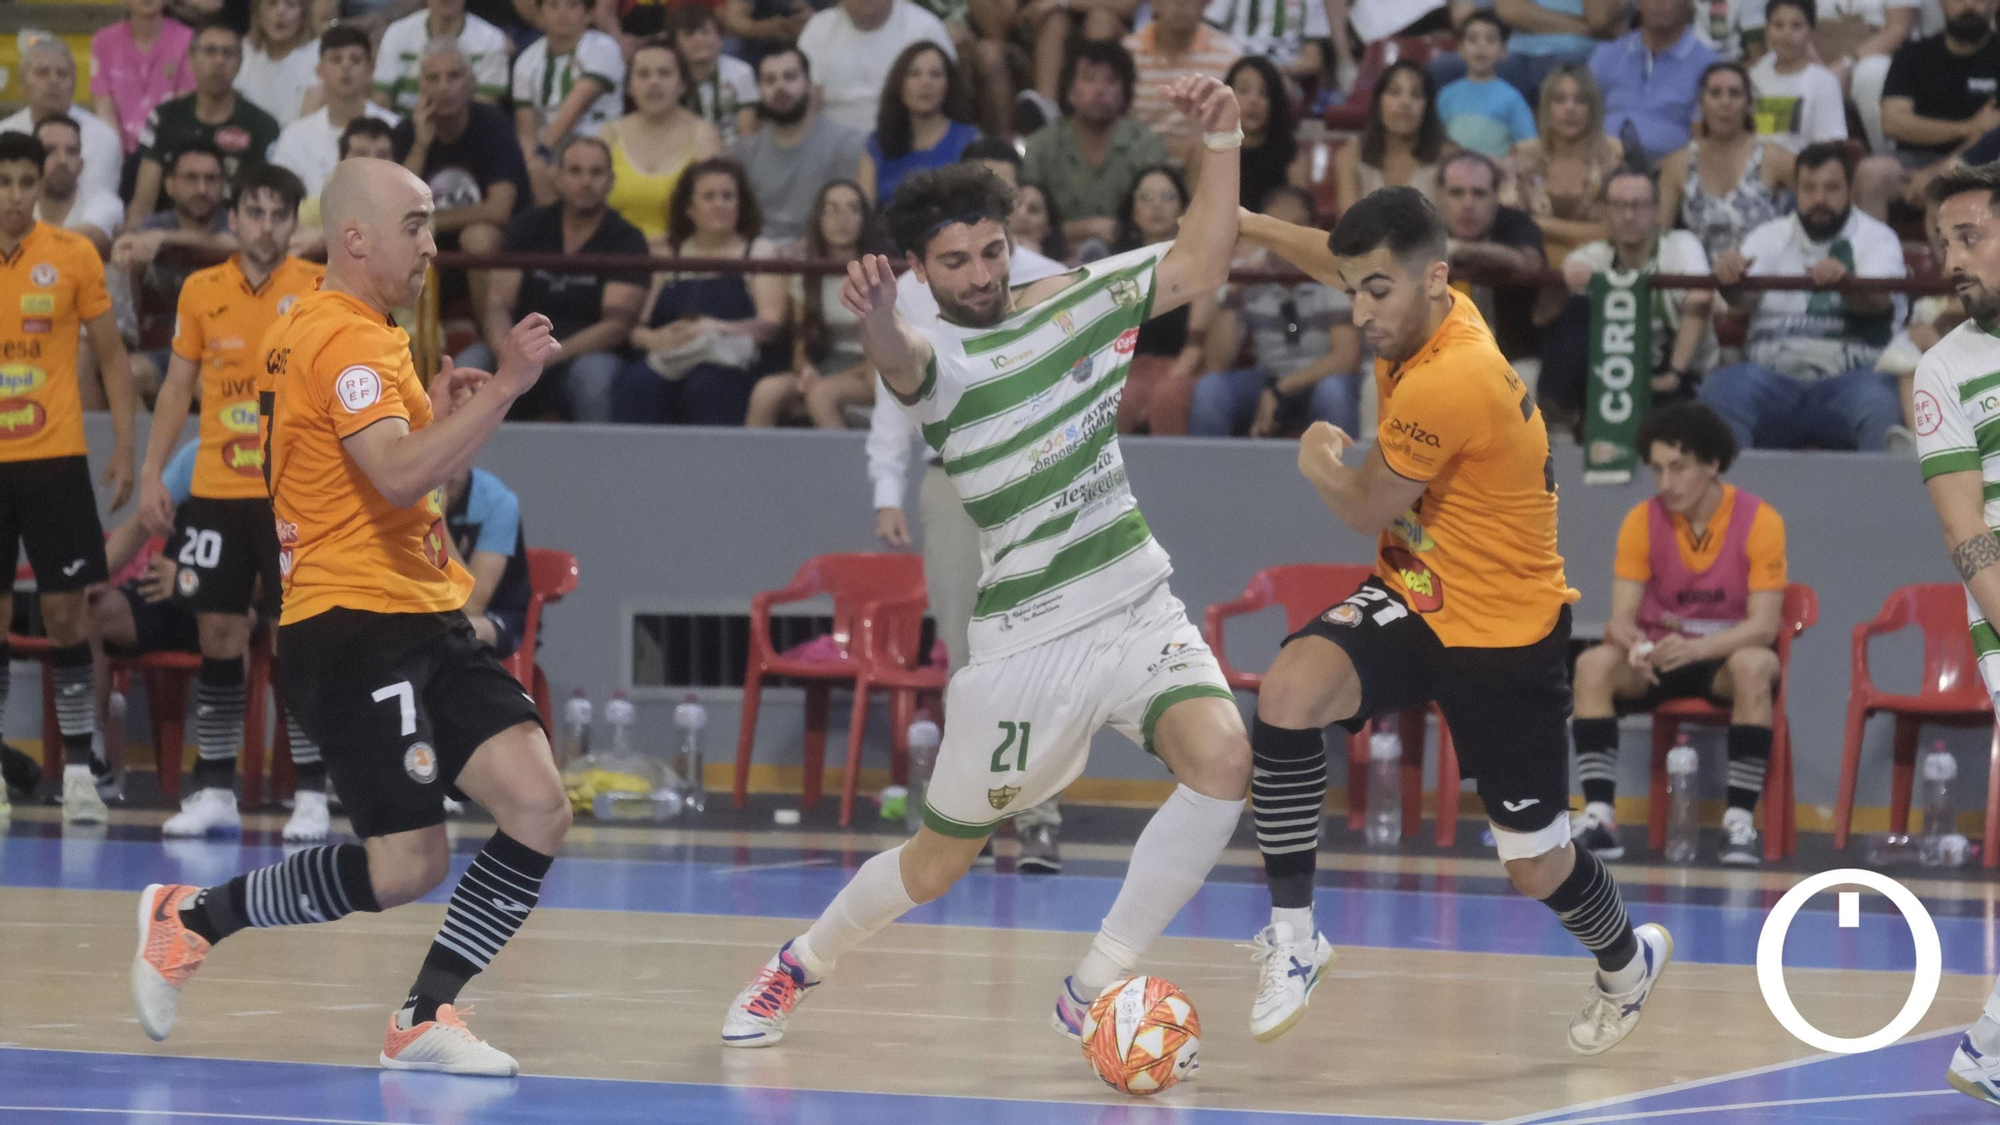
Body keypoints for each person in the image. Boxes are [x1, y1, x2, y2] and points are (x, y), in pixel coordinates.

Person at [721, 74, 1250, 1048]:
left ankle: (1091, 985)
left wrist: (1219, 144)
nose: (977, 273)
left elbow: (1205, 253)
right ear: (919, 270)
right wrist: (875, 313)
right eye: (953, 260)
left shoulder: (1080, 301)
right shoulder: (937, 365)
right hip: (1024, 649)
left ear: (1011, 243)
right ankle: (798, 964)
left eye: (990, 251)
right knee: (935, 865)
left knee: (1222, 760)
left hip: (1135, 600)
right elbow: (892, 357)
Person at [128, 155, 567, 1076]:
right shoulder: (346, 337)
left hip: (421, 607)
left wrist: (449, 410)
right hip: (356, 625)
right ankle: (190, 919)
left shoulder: (345, 329)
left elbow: (408, 465)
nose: (431, 246)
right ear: (355, 236)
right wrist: (510, 389)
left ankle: (423, 1014)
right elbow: (401, 472)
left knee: (537, 803)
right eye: (415, 226)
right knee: (408, 865)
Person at [1232, 183, 1670, 1051]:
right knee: (1287, 692)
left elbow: (1363, 506)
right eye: (1355, 291)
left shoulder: (1452, 378)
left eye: (1376, 294)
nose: (1359, 311)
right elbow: (1347, 256)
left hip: (1503, 637)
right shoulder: (1428, 299)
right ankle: (1295, 939)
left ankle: (1626, 961)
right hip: (1415, 595)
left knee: (1533, 863)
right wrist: (1245, 224)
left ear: (1434, 281)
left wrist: (1319, 454)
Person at [865, 142, 1071, 871]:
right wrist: (888, 491)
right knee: (965, 655)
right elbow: (893, 401)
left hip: (1038, 474)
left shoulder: (1051, 282)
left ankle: (1040, 816)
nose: (978, 266)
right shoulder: (908, 293)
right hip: (951, 482)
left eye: (994, 235)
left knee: (1039, 649)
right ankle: (971, 818)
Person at [136, 162, 326, 839]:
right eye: (254, 212)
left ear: (296, 221)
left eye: (280, 214)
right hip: (215, 490)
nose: (266, 226)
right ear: (235, 217)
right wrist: (154, 471)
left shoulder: (318, 288)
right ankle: (215, 788)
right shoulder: (200, 289)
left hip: (292, 497)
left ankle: (310, 791)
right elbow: (174, 388)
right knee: (217, 632)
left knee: (295, 639)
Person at [1569, 402, 1786, 865]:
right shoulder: (1640, 521)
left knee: (1756, 665)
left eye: (1679, 468)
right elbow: (1621, 617)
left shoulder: (1759, 520)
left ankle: (1739, 824)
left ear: (1711, 464)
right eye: (1658, 469)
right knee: (1591, 664)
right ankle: (1601, 818)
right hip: (1658, 659)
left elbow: (1764, 626)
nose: (1666, 483)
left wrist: (1698, 649)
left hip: (1722, 658)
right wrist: (1633, 642)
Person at [0, 131, 139, 827]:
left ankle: (82, 768)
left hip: (54, 458)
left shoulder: (75, 253)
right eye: (5, 182)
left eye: (26, 182)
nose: (16, 196)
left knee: (65, 615)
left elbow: (113, 358)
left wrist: (125, 447)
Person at [1900, 159, 2000, 1108]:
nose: (1952, 260)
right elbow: (1964, 527)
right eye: (1942, 245)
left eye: (1969, 237)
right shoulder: (1943, 369)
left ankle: (1993, 1048)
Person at [1702, 142, 1905, 450]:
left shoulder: (1877, 238)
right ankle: (1733, 498)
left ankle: (1879, 499)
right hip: (1770, 382)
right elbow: (1740, 304)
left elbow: (1878, 301)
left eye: (1831, 188)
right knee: (1721, 389)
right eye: (1809, 188)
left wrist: (1845, 284)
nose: (1819, 199)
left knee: (1881, 401)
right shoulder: (1767, 236)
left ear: (1850, 191)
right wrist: (1729, 280)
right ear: (1796, 191)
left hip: (1852, 383)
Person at [459, 136, 649, 421]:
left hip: (584, 353)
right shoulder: (527, 225)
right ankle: (466, 465)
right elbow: (498, 303)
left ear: (611, 181)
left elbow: (616, 325)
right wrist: (506, 351)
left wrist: (547, 356)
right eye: (575, 171)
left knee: (595, 379)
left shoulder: (627, 239)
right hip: (520, 348)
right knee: (468, 367)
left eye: (596, 173)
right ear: (558, 178)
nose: (586, 181)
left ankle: (596, 465)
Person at [615, 158, 787, 423]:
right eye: (709, 197)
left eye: (728, 196)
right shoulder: (669, 254)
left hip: (730, 363)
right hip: (670, 357)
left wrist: (712, 328)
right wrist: (654, 339)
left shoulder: (758, 251)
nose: (720, 204)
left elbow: (771, 324)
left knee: (708, 387)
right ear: (689, 208)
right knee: (637, 383)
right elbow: (638, 327)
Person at [1541, 166, 1715, 420]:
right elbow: (1568, 280)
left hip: (1681, 375)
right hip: (1615, 376)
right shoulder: (1595, 253)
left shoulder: (1681, 245)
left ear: (1656, 210)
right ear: (1604, 212)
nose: (1629, 215)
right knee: (1578, 307)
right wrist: (1571, 274)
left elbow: (1700, 299)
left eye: (1639, 205)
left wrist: (1673, 376)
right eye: (1619, 205)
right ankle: (1557, 412)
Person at [1190, 185, 1361, 437]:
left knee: (1333, 392)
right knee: (1210, 389)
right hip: (1267, 377)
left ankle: (1341, 473)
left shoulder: (1333, 275)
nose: (1281, 240)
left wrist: (1280, 389)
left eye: (1292, 229)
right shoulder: (1248, 276)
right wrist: (1233, 293)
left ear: (1313, 230)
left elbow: (1345, 360)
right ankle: (1203, 475)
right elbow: (1216, 362)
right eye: (1273, 229)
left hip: (1319, 381)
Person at [393, 40, 530, 316]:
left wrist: (429, 221)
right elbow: (396, 209)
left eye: (454, 76)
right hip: (429, 252)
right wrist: (421, 145)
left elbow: (499, 210)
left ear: (472, 84)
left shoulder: (493, 125)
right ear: (422, 86)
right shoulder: (407, 131)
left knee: (476, 237)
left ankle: (493, 338)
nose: (444, 86)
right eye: (433, 78)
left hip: (499, 247)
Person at [747, 180, 882, 427]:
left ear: (864, 220)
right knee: (766, 391)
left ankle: (841, 466)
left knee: (821, 395)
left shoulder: (876, 274)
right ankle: (750, 465)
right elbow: (801, 342)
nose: (842, 219)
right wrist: (805, 368)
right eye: (831, 209)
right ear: (818, 218)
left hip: (870, 369)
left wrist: (825, 381)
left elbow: (880, 351)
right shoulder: (806, 274)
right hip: (826, 363)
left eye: (852, 209)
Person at [126, 21, 283, 232]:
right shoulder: (164, 117)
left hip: (236, 239)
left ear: (240, 63)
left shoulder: (262, 126)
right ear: (190, 60)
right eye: (210, 51)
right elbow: (142, 203)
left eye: (228, 53)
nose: (219, 61)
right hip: (169, 235)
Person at [1020, 40, 1168, 254]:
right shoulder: (1042, 145)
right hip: (1053, 258)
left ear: (1125, 92)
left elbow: (1159, 220)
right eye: (1088, 79)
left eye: (1111, 81)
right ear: (1070, 90)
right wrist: (1085, 229)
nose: (1100, 90)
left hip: (1131, 257)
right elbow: (1025, 223)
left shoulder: (1146, 143)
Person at [114, 142, 237, 369]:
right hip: (167, 349)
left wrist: (165, 239)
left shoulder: (236, 222)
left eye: (211, 179)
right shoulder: (153, 225)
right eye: (191, 178)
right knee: (129, 372)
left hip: (230, 346)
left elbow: (237, 245)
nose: (202, 189)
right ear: (170, 185)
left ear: (223, 186)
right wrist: (132, 267)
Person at [1658, 62, 1796, 263]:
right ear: (1701, 104)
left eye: (1735, 94)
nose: (1725, 102)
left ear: (1749, 105)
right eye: (1715, 93)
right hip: (1700, 285)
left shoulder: (1773, 157)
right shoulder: (1678, 164)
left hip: (1763, 277)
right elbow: (1659, 235)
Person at [1113, 165, 1209, 435]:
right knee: (1117, 398)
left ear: (1182, 209)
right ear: (1133, 209)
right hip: (1130, 368)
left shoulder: (1198, 265)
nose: (1156, 206)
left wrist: (1160, 386)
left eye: (1167, 198)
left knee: (1166, 397)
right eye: (1146, 198)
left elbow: (1196, 344)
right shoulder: (1117, 266)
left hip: (1181, 367)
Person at [1880, 0, 2000, 211]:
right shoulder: (1912, 54)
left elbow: (1992, 133)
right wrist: (1969, 127)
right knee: (1872, 174)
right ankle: (1877, 245)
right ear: (1941, 3)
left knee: (1952, 191)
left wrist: (1940, 173)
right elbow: (1892, 122)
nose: (1970, 4)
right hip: (1912, 162)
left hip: (1979, 163)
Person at [604, 40, 723, 243]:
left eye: (664, 73)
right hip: (617, 255)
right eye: (643, 74)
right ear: (629, 86)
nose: (654, 82)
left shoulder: (704, 135)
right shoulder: (609, 134)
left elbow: (713, 213)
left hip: (683, 255)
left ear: (683, 85)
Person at [1510, 63, 1623, 269]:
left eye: (1580, 100)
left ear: (1593, 108)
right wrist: (1580, 234)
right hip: (1531, 273)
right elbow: (1509, 227)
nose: (1569, 108)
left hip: (1599, 268)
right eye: (1559, 99)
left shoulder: (1613, 155)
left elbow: (1618, 230)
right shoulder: (1523, 154)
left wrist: (1541, 226)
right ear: (1546, 106)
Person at [514, 0, 626, 207]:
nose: (562, 13)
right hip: (552, 155)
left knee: (567, 166)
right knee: (535, 170)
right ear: (540, 15)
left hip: (602, 144)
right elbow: (526, 129)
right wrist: (531, 160)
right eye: (553, 6)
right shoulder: (526, 60)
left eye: (572, 5)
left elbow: (575, 106)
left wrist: (542, 152)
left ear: (588, 14)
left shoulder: (604, 47)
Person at [271, 27, 402, 202]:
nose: (346, 66)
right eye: (336, 59)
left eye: (355, 60)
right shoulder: (295, 137)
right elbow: (280, 199)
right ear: (320, 71)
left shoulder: (396, 127)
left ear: (371, 69)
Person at [1437, 151, 1546, 361]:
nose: (1468, 204)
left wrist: (1459, 249)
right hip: (1438, 360)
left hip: (1512, 360)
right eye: (1456, 193)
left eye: (1479, 193)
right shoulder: (1424, 228)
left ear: (1496, 196)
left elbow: (1530, 263)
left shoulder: (1517, 223)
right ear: (1440, 196)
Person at [1590, 0, 1720, 162]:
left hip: (1669, 173)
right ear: (1638, 4)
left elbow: (1704, 141)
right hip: (1603, 166)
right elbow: (1583, 116)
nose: (1660, 3)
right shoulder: (1607, 55)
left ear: (1688, 3)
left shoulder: (1709, 66)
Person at [797, 0, 957, 132]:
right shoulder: (817, 30)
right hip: (834, 154)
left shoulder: (925, 28)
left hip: (905, 146)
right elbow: (803, 105)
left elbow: (952, 99)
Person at [2, 38, 124, 204]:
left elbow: (99, 208)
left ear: (74, 83)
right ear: (22, 82)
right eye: (43, 72)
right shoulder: (3, 134)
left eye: (62, 73)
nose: (54, 80)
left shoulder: (102, 138)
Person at [859, 42, 980, 207]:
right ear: (899, 84)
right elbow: (863, 212)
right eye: (914, 74)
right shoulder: (878, 144)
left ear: (949, 84)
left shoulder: (970, 141)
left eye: (935, 74)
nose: (925, 82)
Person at [1121, 0, 1240, 164]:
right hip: (1137, 161)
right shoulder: (1127, 53)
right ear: (1153, 3)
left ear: (1205, 4)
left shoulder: (1228, 56)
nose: (1181, 3)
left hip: (1205, 163)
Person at [1334, 59, 1447, 216]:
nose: (1405, 102)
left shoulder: (1447, 156)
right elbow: (1348, 227)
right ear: (1378, 102)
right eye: (1394, 92)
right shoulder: (1351, 155)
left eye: (1416, 94)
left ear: (1427, 107)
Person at [443, 465, 531, 658]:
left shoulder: (498, 502)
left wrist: (434, 519)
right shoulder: (402, 496)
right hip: (432, 610)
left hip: (492, 614)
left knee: (453, 632)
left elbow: (473, 604)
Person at [91, 0, 198, 155]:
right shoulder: (103, 41)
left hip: (168, 150)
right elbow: (105, 110)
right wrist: (115, 158)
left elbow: (182, 109)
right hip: (120, 151)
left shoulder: (187, 39)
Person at [375, 0, 513, 113]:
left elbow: (485, 106)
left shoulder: (491, 39)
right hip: (403, 132)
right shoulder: (397, 33)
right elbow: (380, 99)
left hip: (466, 136)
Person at [1749, 0, 1850, 152]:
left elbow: (1829, 144)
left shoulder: (1824, 82)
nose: (1787, 34)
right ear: (1767, 30)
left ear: (1812, 33)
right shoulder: (1754, 77)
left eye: (1796, 26)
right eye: (1778, 25)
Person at [1440, 11, 1539, 157]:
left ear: (1503, 51)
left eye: (1490, 40)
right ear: (1460, 49)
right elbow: (1436, 141)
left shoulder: (1513, 99)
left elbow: (1529, 145)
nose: (1481, 46)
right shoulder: (1447, 95)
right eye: (1473, 39)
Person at [1226, 56, 1307, 214]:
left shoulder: (1293, 156)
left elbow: (1298, 218)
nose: (1253, 101)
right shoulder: (1207, 151)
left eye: (1264, 93)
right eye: (1243, 90)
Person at [671, 4, 762, 145]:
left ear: (720, 39)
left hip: (732, 154)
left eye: (705, 32)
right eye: (689, 34)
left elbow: (747, 133)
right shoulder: (669, 76)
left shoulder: (742, 72)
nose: (699, 40)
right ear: (675, 44)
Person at [36, 117, 126, 258]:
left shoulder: (105, 202)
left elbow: (89, 237)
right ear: (31, 162)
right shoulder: (16, 203)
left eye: (71, 151)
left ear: (81, 165)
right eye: (50, 150)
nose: (62, 160)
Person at [238, 0, 325, 127]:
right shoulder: (245, 51)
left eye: (291, 5)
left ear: (304, 15)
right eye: (272, 3)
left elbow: (308, 124)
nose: (280, 11)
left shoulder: (318, 54)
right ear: (259, 13)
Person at [1010, 181, 1066, 260]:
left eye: (1034, 209)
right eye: (1017, 204)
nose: (1022, 215)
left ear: (1048, 228)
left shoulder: (1063, 269)